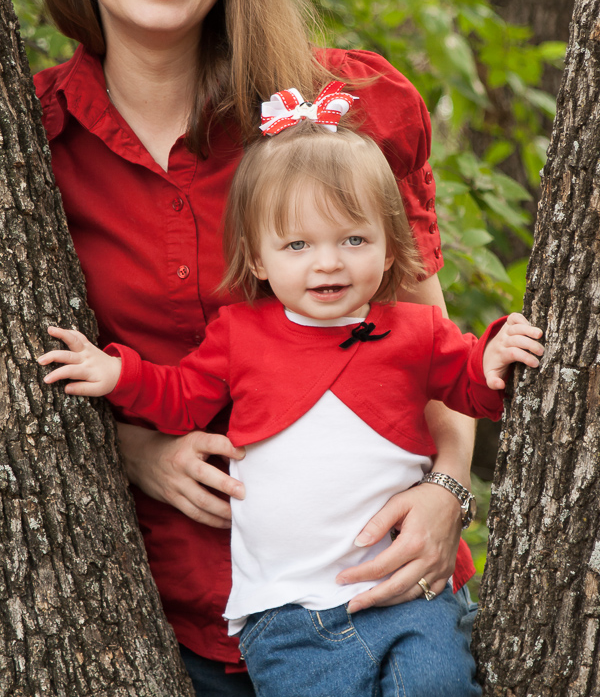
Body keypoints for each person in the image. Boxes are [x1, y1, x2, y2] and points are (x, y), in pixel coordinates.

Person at [34, 0, 488, 692]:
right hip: (146, 615)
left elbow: (432, 349)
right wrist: (129, 450)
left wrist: (450, 494)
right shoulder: (30, 141)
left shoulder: (337, 115)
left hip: (381, 597)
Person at [38, 99, 544, 697]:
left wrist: (492, 357)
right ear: (258, 256)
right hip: (285, 613)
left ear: (388, 247)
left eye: (353, 239)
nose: (327, 262)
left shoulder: (414, 330)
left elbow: (470, 386)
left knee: (436, 683)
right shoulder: (239, 334)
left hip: (407, 594)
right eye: (297, 245)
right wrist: (116, 373)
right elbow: (180, 398)